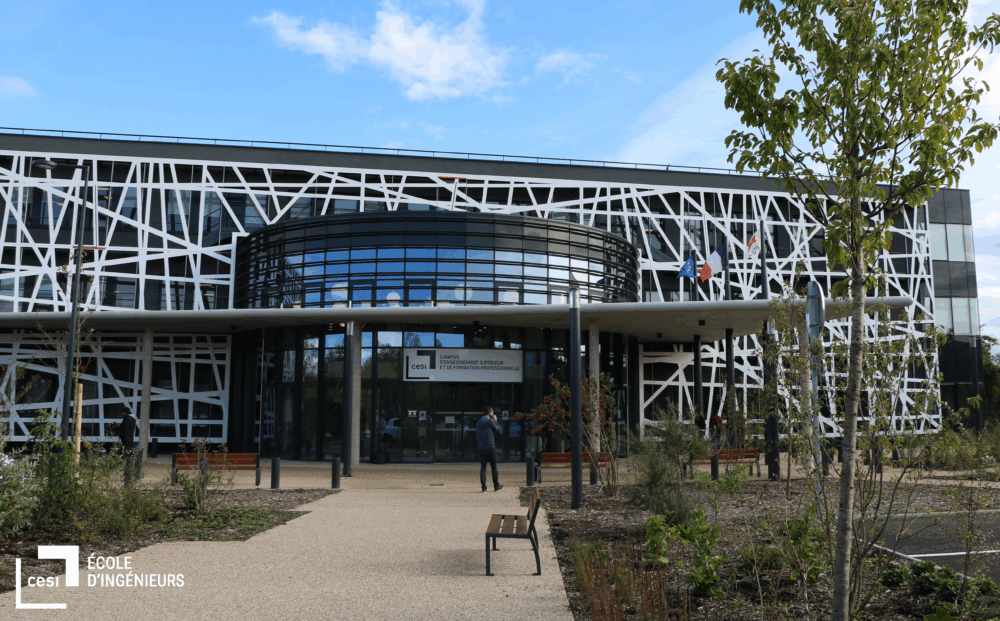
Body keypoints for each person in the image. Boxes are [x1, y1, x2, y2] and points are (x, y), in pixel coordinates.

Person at [476, 406, 504, 493]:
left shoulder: (479, 421)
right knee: (494, 466)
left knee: (483, 467)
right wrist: (496, 421)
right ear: (490, 413)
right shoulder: (490, 421)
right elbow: (499, 431)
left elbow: (476, 434)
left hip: (481, 447)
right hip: (490, 446)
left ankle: (484, 488)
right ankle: (496, 486)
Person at [117, 408, 138, 486]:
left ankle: (124, 463)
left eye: (122, 413)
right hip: (130, 439)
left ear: (125, 412)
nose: (121, 414)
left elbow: (124, 429)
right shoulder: (132, 418)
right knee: (128, 452)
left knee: (125, 452)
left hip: (126, 439)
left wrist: (119, 428)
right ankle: (127, 462)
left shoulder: (127, 418)